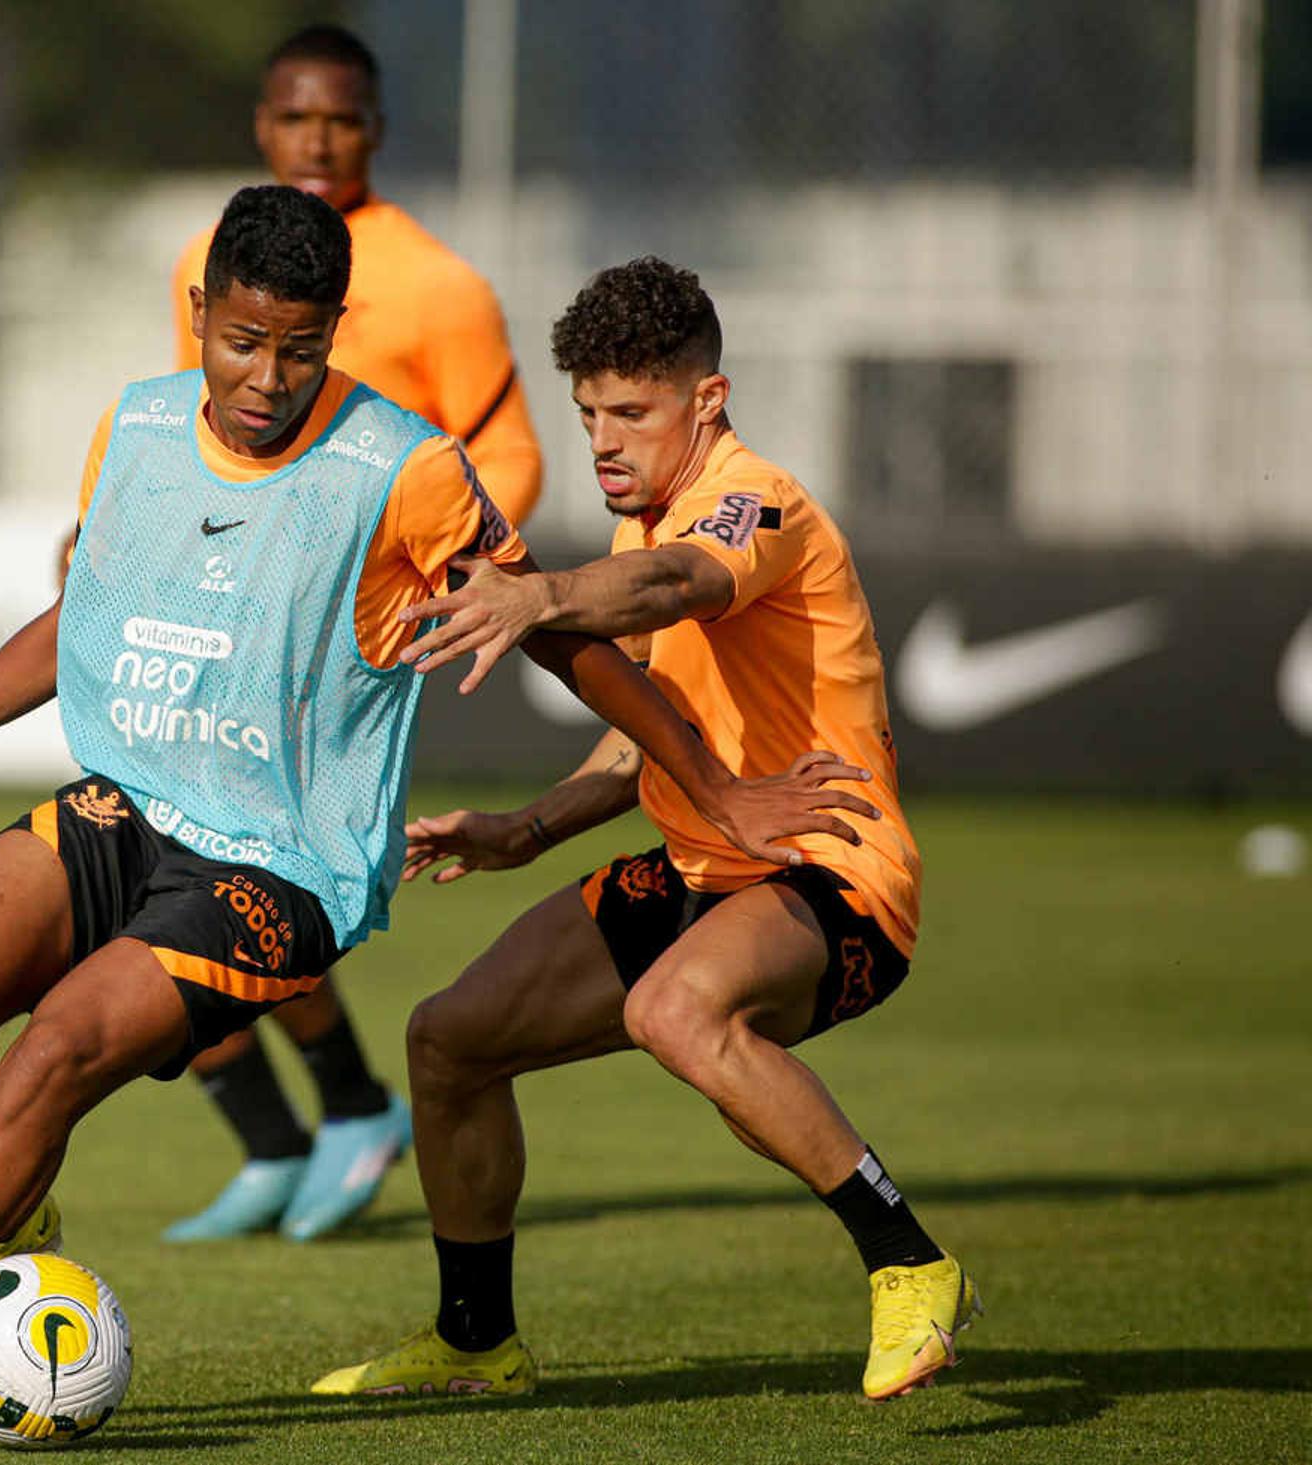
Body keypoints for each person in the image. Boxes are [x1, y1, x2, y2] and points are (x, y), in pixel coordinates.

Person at [0, 194, 874, 1448]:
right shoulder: (140, 423)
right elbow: (85, 619)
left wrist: (713, 786)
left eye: (304, 349)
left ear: (334, 335)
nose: (269, 378)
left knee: (54, 1050)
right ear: (202, 315)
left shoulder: (406, 467)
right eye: (244, 342)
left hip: (284, 859)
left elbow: (571, 641)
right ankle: (5, 1216)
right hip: (129, 803)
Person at [312, 258, 981, 1404]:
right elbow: (641, 743)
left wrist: (540, 594)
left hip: (830, 866)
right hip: (701, 865)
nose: (604, 440)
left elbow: (677, 584)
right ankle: (477, 1342)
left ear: (706, 400)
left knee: (671, 1006)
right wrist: (526, 828)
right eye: (587, 415)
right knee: (448, 1040)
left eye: (631, 410)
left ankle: (910, 1261)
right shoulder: (641, 526)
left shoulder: (751, 497)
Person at [158, 23, 548, 1244]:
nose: (316, 140)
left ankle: (338, 1112)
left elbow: (511, 457)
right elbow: (198, 432)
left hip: (346, 638)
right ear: (261, 128)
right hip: (227, 614)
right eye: (293, 118)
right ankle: (295, 1132)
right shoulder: (211, 257)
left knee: (223, 873)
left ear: (374, 128)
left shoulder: (439, 284)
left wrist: (435, 579)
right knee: (167, 856)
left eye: (341, 120)